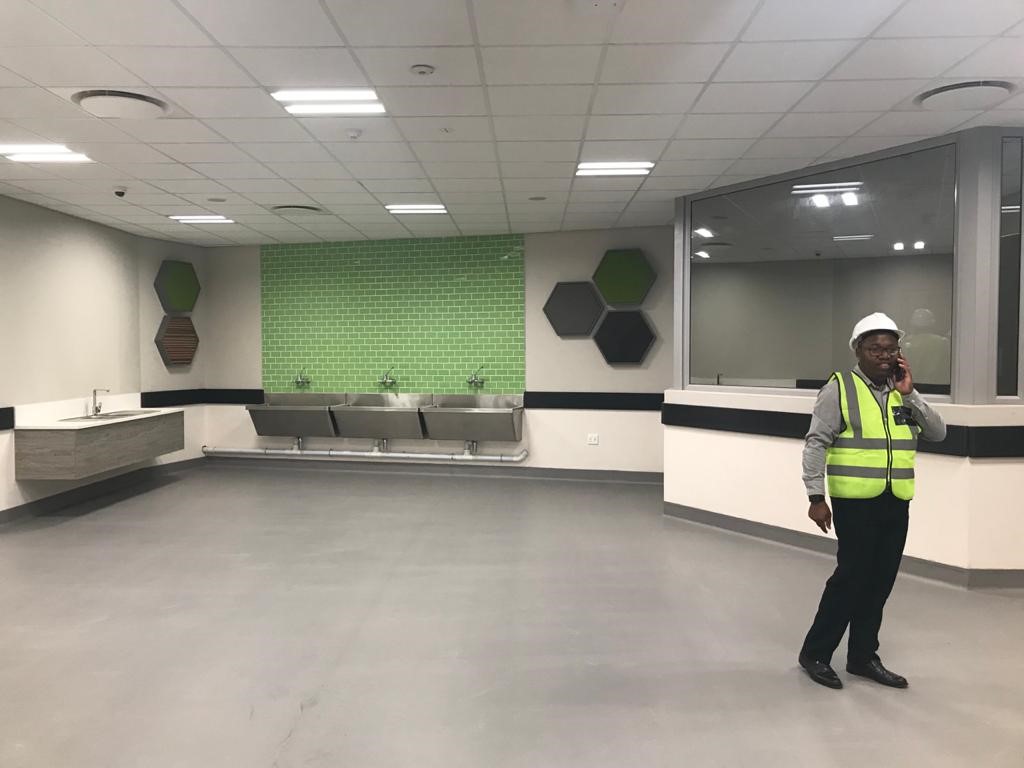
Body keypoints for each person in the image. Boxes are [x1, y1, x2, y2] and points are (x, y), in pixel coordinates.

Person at [798, 312, 947, 690]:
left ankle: (863, 657)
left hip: (895, 501)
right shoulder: (839, 388)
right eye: (875, 348)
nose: (884, 355)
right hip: (855, 502)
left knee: (880, 582)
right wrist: (815, 496)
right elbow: (816, 442)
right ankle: (815, 653)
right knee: (850, 579)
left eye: (891, 348)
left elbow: (938, 432)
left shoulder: (902, 391)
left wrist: (910, 393)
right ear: (858, 350)